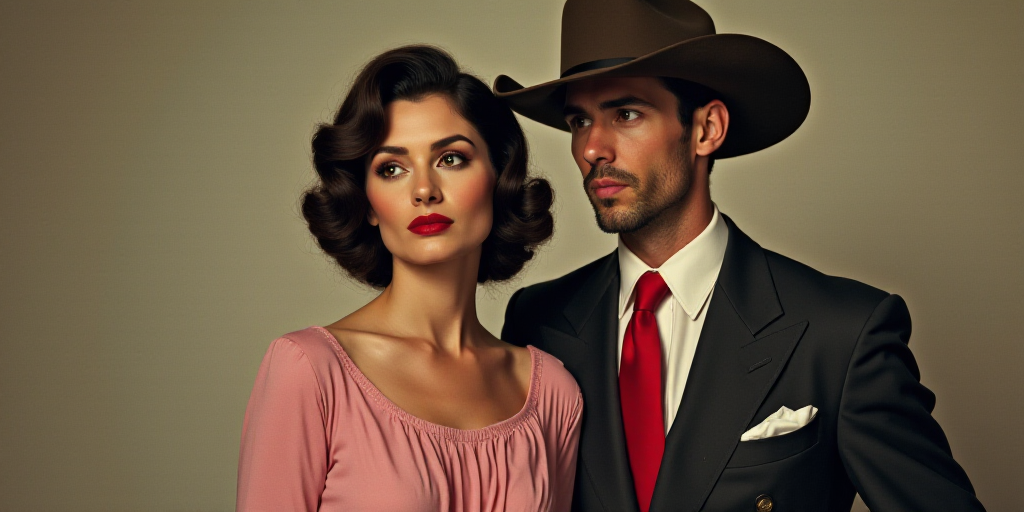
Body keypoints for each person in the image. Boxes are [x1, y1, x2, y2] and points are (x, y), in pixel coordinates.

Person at [495, 1, 985, 511]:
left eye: (626, 113)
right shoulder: (538, 323)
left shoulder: (840, 332)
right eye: (578, 121)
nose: (593, 148)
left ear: (707, 129)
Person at [236, 45, 582, 512]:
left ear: (497, 177)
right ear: (369, 204)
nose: (424, 190)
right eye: (392, 169)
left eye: (451, 159)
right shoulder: (309, 371)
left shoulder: (552, 394)